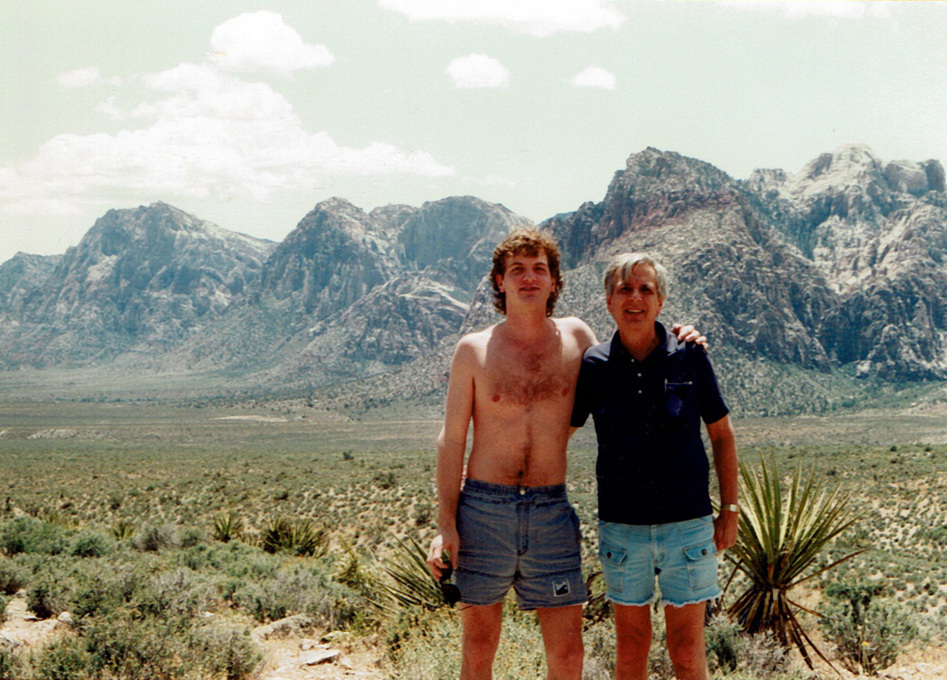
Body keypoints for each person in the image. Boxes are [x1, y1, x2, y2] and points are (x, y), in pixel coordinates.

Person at [425, 230, 703, 680]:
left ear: (554, 281)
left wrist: (681, 338)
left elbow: (633, 352)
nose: (529, 278)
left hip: (550, 511)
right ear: (499, 281)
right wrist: (446, 525)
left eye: (539, 269)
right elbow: (451, 439)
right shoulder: (473, 350)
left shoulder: (577, 338)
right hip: (484, 508)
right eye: (517, 269)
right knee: (478, 648)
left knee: (569, 655)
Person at [570, 252, 738, 680]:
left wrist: (730, 511)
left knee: (687, 651)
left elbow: (722, 434)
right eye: (624, 289)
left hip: (688, 524)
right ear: (609, 301)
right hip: (623, 527)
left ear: (660, 301)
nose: (635, 298)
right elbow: (559, 434)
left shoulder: (689, 355)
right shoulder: (594, 365)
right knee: (630, 650)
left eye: (646, 289)